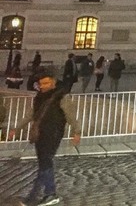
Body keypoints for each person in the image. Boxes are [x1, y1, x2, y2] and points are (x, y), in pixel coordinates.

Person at [9, 69, 82, 206]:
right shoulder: (39, 97)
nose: (43, 86)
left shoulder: (62, 96)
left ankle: (50, 194)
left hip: (53, 134)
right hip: (40, 134)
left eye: (46, 83)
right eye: (41, 84)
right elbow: (31, 114)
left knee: (45, 162)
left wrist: (76, 132)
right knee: (44, 164)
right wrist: (16, 128)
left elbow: (71, 116)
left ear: (53, 82)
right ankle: (34, 197)